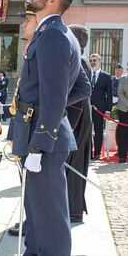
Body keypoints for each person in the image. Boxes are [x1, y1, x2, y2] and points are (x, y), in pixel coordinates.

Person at [9, 0, 91, 255]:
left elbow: (58, 96)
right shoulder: (55, 32)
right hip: (39, 132)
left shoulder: (53, 35)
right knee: (37, 213)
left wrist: (42, 140)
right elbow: (82, 86)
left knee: (49, 217)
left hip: (43, 140)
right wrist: (47, 110)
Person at [7, 5, 38, 238]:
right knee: (25, 181)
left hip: (35, 128)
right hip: (22, 125)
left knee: (34, 185)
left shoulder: (44, 46)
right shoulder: (31, 47)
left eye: (28, 19)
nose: (23, 24)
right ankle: (29, 221)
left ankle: (32, 224)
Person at [66, 24, 93, 223]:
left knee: (72, 164)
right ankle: (72, 209)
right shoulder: (82, 58)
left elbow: (80, 92)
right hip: (80, 116)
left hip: (76, 117)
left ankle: (72, 210)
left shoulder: (80, 61)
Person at [89, 53, 112, 160]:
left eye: (95, 60)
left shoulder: (106, 76)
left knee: (98, 131)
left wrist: (108, 110)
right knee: (87, 131)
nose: (93, 62)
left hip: (100, 110)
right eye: (91, 60)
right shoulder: (86, 74)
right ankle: (88, 153)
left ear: (100, 61)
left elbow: (109, 95)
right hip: (87, 109)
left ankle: (97, 153)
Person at [116, 73, 128, 163]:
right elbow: (120, 92)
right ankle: (122, 156)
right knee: (123, 134)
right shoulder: (124, 78)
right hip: (124, 109)